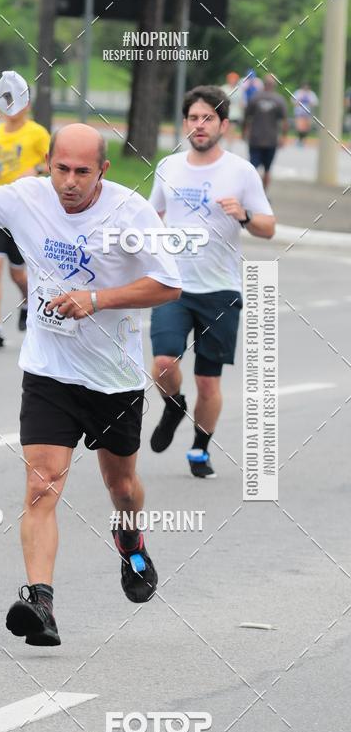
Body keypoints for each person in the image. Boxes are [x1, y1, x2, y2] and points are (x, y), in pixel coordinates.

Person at [0, 100, 182, 646]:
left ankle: (131, 541)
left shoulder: (131, 212)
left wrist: (98, 298)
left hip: (113, 377)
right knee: (40, 487)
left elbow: (168, 284)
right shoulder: (26, 197)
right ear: (48, 163)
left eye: (82, 172)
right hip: (49, 372)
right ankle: (41, 601)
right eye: (61, 169)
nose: (69, 182)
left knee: (121, 487)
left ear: (103, 172)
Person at [148, 85, 275, 479]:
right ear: (184, 123)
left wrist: (243, 215)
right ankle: (173, 405)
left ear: (223, 123)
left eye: (207, 118)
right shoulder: (169, 167)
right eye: (192, 118)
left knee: (208, 381)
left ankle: (200, 448)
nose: (199, 126)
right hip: (174, 285)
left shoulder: (240, 171)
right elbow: (153, 216)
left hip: (220, 290)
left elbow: (268, 228)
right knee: (164, 363)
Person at [0, 100, 50, 348]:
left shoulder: (37, 133)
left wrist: (36, 169)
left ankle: (27, 301)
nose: (13, 108)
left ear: (28, 105)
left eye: (19, 103)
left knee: (18, 273)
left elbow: (57, 163)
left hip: (23, 211)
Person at [243, 74, 288, 190]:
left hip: (255, 139)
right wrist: (283, 137)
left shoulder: (255, 97)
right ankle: (263, 195)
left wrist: (245, 132)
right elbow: (284, 122)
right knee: (267, 170)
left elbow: (247, 117)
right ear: (275, 85)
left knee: (253, 169)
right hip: (271, 140)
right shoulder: (279, 100)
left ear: (264, 84)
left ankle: (251, 193)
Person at [221, 71, 244, 148]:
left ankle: (229, 146)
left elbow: (241, 102)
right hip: (226, 112)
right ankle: (224, 145)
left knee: (232, 129)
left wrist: (242, 112)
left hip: (235, 113)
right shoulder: (224, 88)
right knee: (225, 129)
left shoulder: (239, 90)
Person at [291, 82, 318, 146]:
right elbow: (293, 102)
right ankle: (299, 139)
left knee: (306, 128)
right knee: (299, 127)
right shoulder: (298, 93)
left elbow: (315, 103)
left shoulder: (311, 94)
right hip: (299, 113)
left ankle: (303, 140)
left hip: (308, 113)